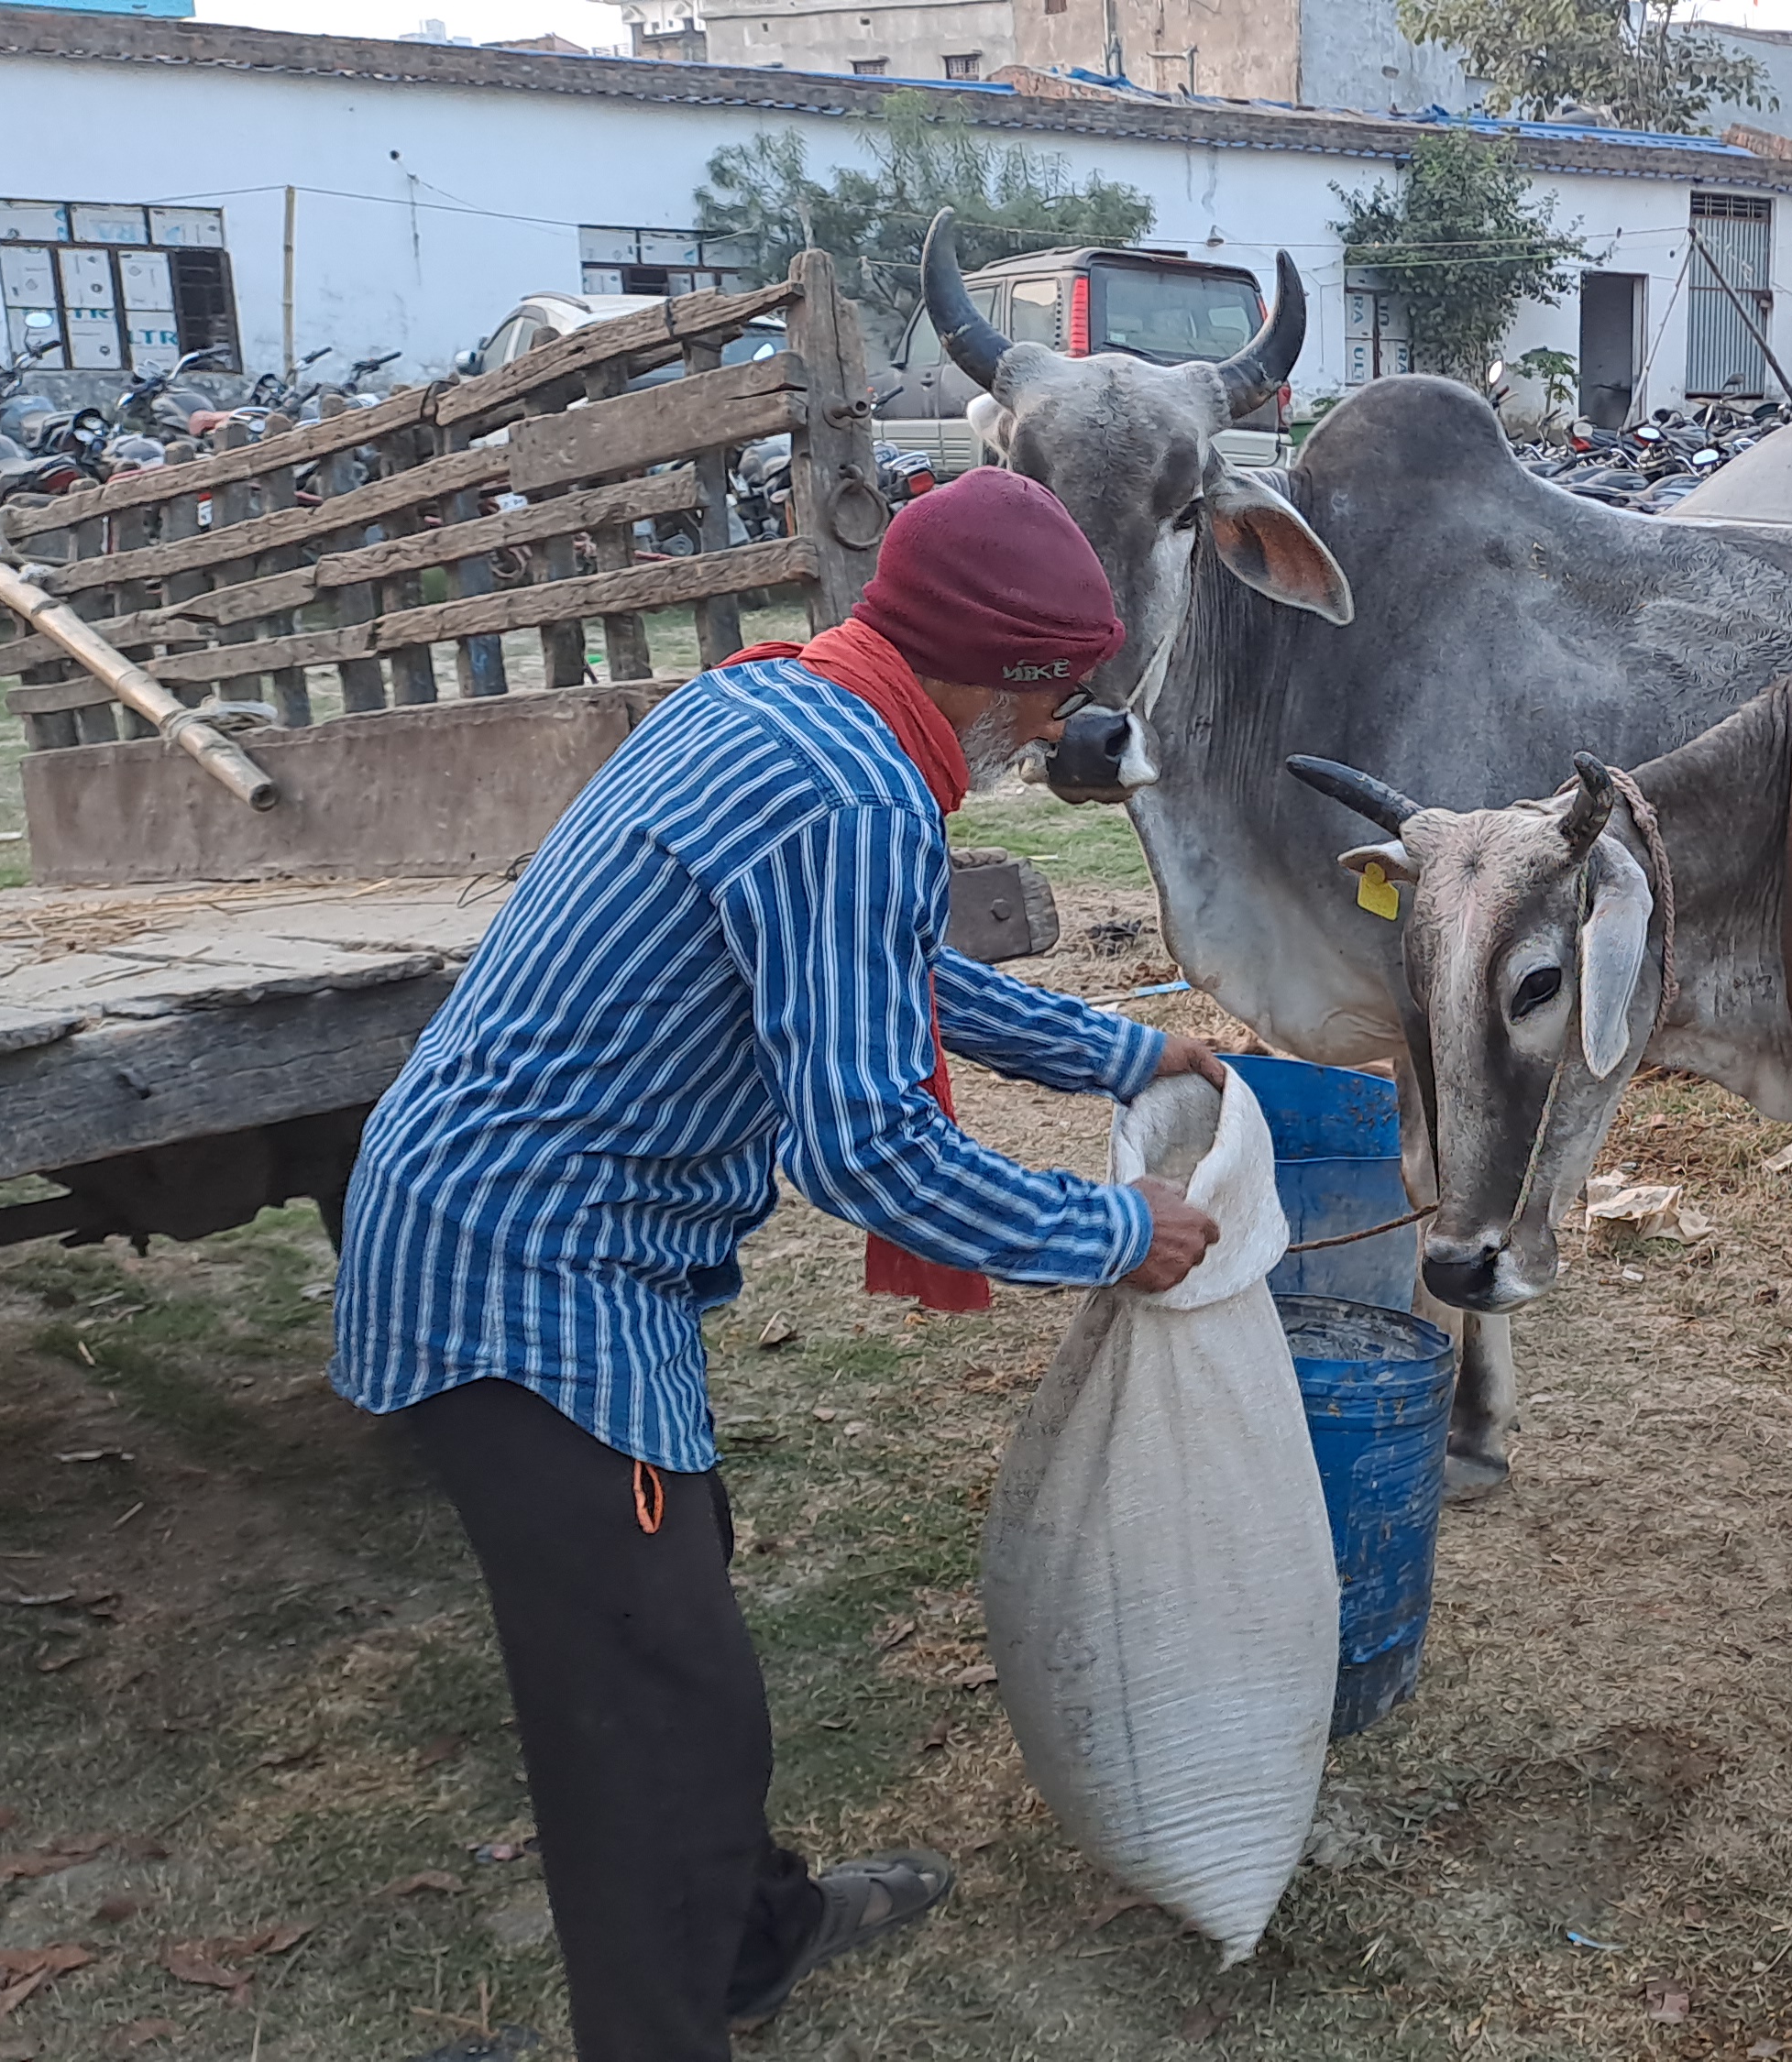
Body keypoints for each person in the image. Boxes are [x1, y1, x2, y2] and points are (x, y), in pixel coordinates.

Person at [331, 467, 1225, 2060]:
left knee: (677, 1630)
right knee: (656, 1706)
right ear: (1009, 678)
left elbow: (888, 957)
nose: (1053, 733)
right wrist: (1115, 1235)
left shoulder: (786, 701)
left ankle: (755, 1930)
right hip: (524, 1270)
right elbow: (866, 1152)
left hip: (536, 1230)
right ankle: (667, 2021)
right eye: (1056, 696)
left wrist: (1120, 1049)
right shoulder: (855, 785)